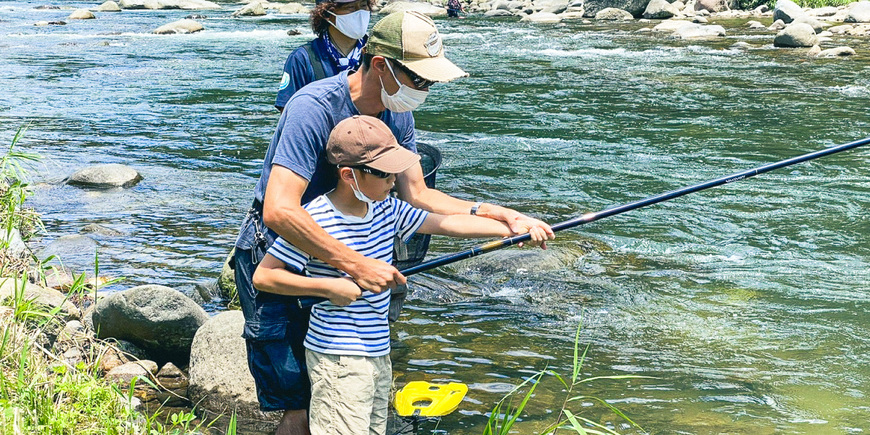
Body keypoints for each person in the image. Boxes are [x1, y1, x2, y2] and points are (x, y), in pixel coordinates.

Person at [234, 11, 555, 435]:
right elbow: (280, 209)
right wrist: (355, 265)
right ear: (382, 64)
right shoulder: (311, 108)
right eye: (420, 79)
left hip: (346, 253)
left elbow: (418, 197)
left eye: (430, 82)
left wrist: (498, 215)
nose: (425, 90)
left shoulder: (396, 112)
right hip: (285, 249)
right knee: (299, 407)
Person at [252, 115, 550, 435]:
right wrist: (329, 287)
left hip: (379, 351)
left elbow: (447, 224)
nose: (394, 179)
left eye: (396, 170)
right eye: (384, 173)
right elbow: (265, 276)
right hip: (338, 357)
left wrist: (514, 228)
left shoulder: (387, 208)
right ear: (348, 175)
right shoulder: (315, 219)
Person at [275, 0, 374, 112]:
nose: (359, 13)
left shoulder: (378, 54)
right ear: (326, 14)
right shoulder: (302, 59)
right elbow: (290, 113)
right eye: (350, 7)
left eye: (363, 5)